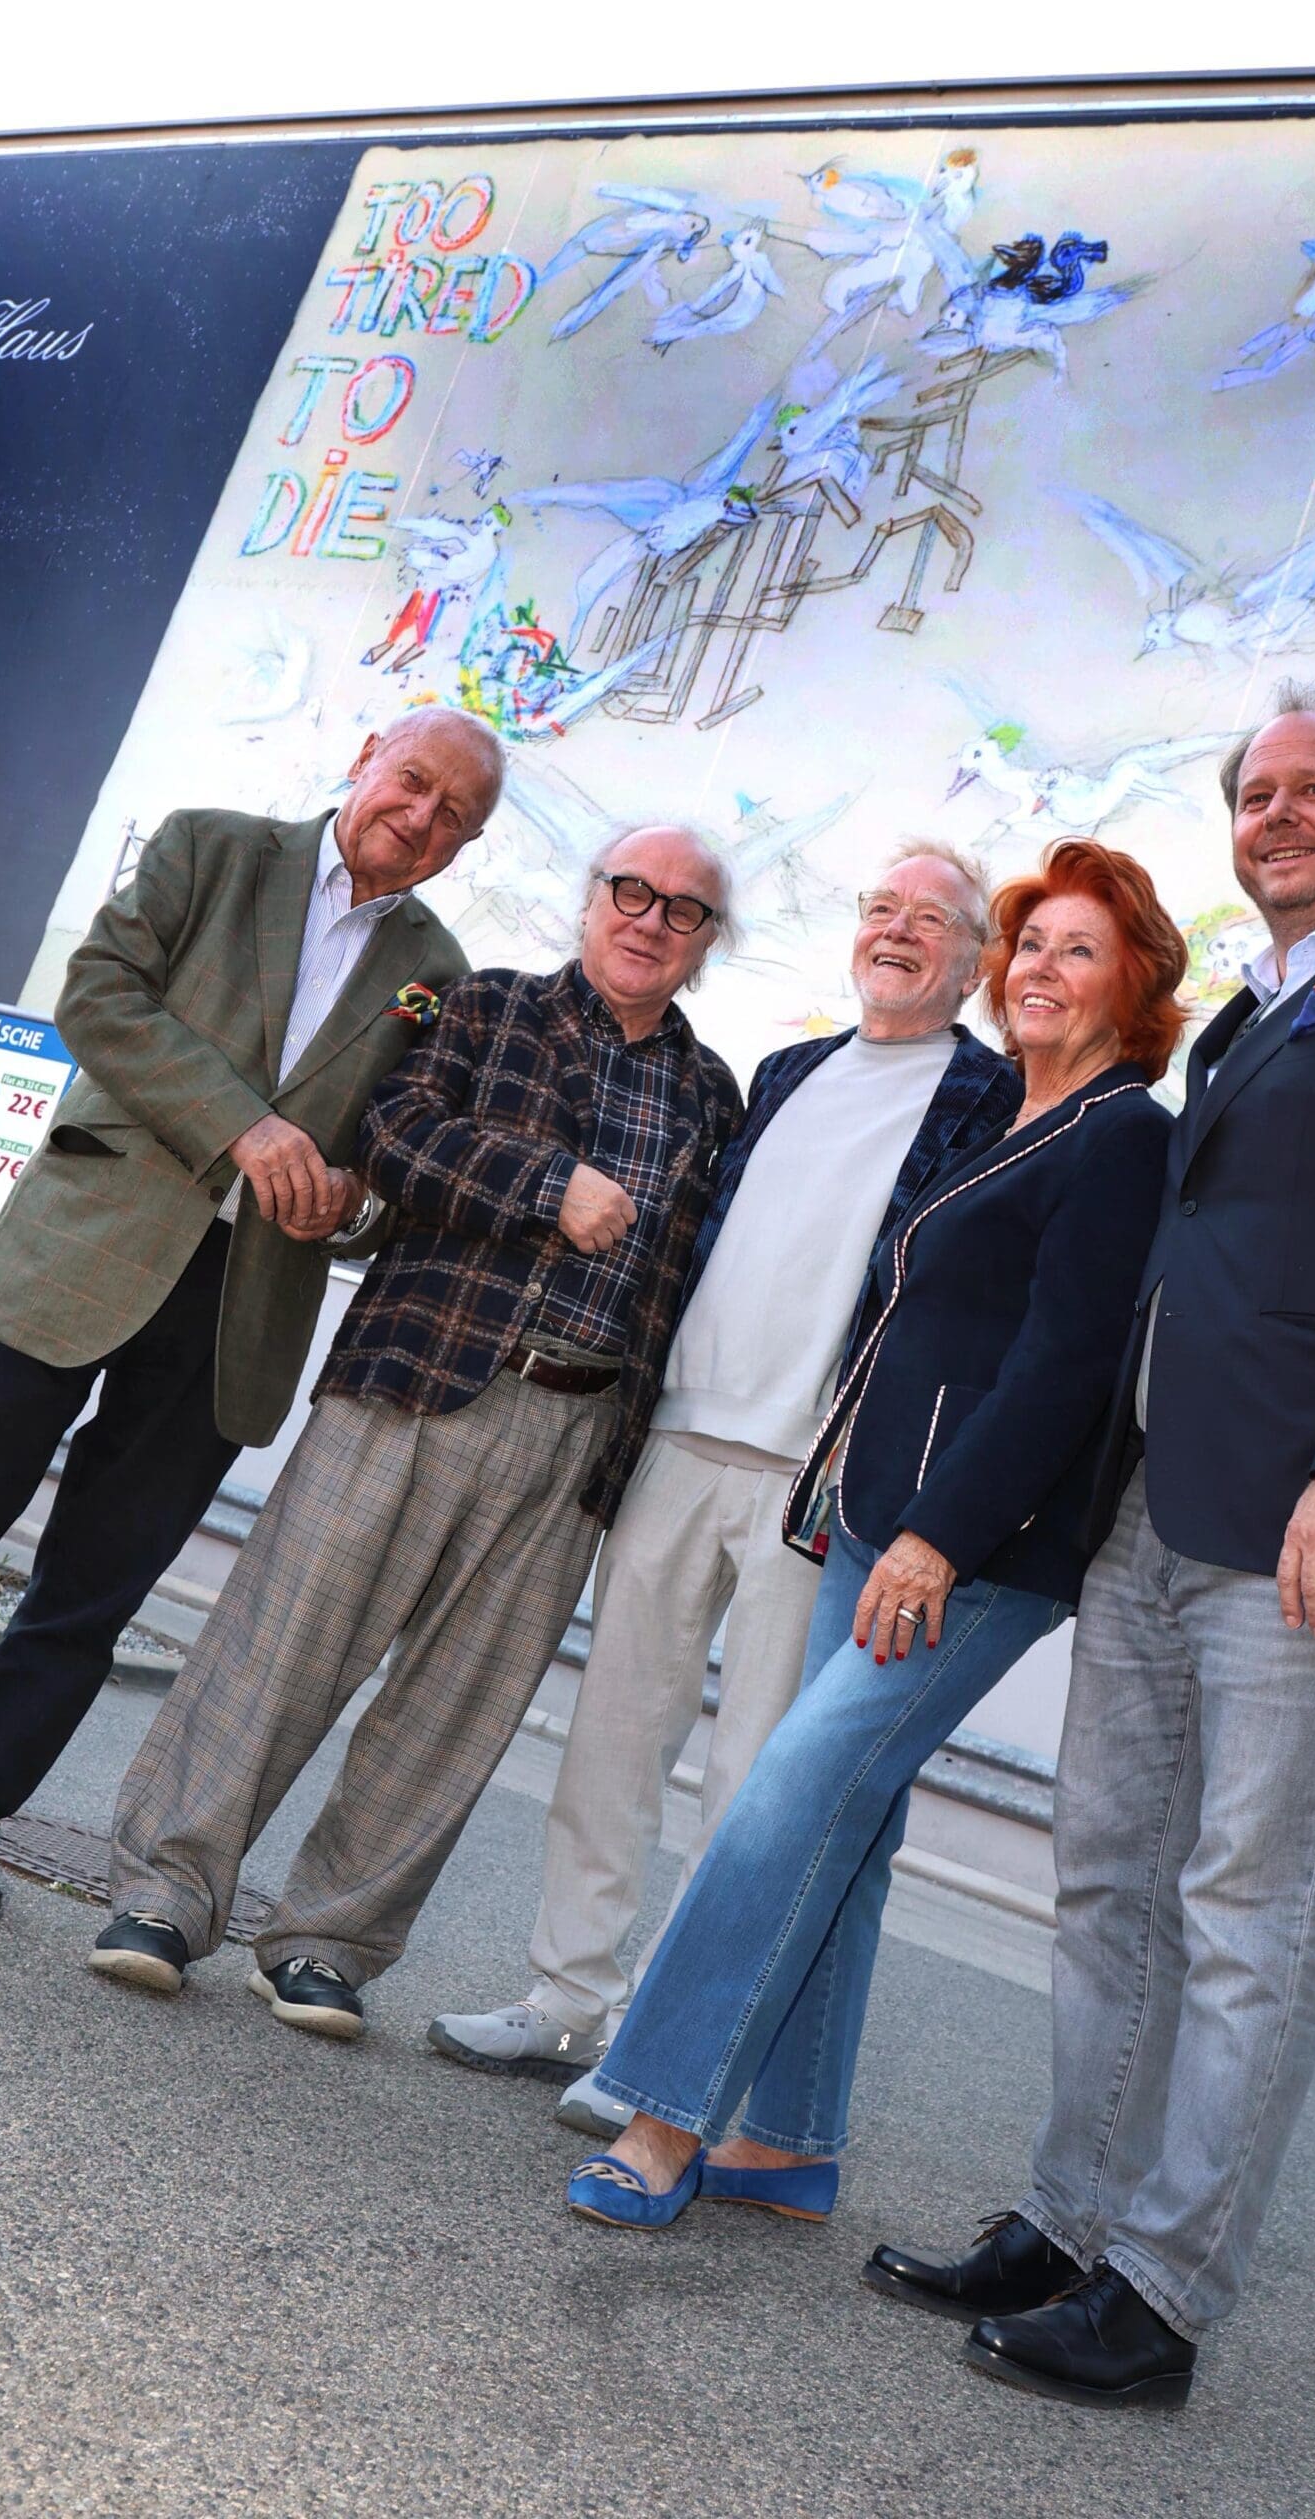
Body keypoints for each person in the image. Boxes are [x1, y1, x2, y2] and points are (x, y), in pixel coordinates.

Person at [870, 682, 1315, 2411]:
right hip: (1154, 1509)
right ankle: (1068, 2221)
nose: (1278, 816)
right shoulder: (1243, 1020)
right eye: (1254, 794)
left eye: (1314, 788)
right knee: (1109, 1880)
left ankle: (1160, 2296)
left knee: (1252, 1908)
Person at [0, 708, 498, 1919]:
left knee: (90, 1593)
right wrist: (244, 1127)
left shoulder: (440, 974)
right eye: (412, 781)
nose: (420, 816)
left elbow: (395, 1161)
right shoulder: (211, 847)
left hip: (240, 1301)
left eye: (454, 813)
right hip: (80, 1245)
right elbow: (98, 995)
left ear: (466, 844)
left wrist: (353, 1202)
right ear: (365, 759)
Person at [560, 838, 1182, 2232]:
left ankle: (661, 2113)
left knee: (788, 1794)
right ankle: (785, 2143)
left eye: (1079, 951)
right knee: (852, 1820)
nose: (1041, 969)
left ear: (1135, 986)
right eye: (1031, 945)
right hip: (875, 1514)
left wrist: (940, 1538)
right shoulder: (1018, 1116)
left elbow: (1066, 1366)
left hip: (969, 1548)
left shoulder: (1123, 1134)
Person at [86, 827, 744, 2038]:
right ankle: (164, 1894)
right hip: (413, 1378)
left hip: (577, 1427)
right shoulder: (484, 1007)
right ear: (591, 899)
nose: (651, 920)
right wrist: (545, 1186)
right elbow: (394, 1133)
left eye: (684, 909)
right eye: (632, 892)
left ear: (707, 942)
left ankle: (327, 1945)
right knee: (281, 1644)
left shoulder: (713, 1095)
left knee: (457, 1707)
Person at [429, 842, 1019, 2123]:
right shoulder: (788, 1071)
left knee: (750, 1781)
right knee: (612, 1738)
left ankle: (659, 2045)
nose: (896, 931)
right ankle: (565, 1997)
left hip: (816, 1474)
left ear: (975, 959)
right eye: (880, 906)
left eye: (930, 919)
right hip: (681, 1438)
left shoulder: (991, 1098)